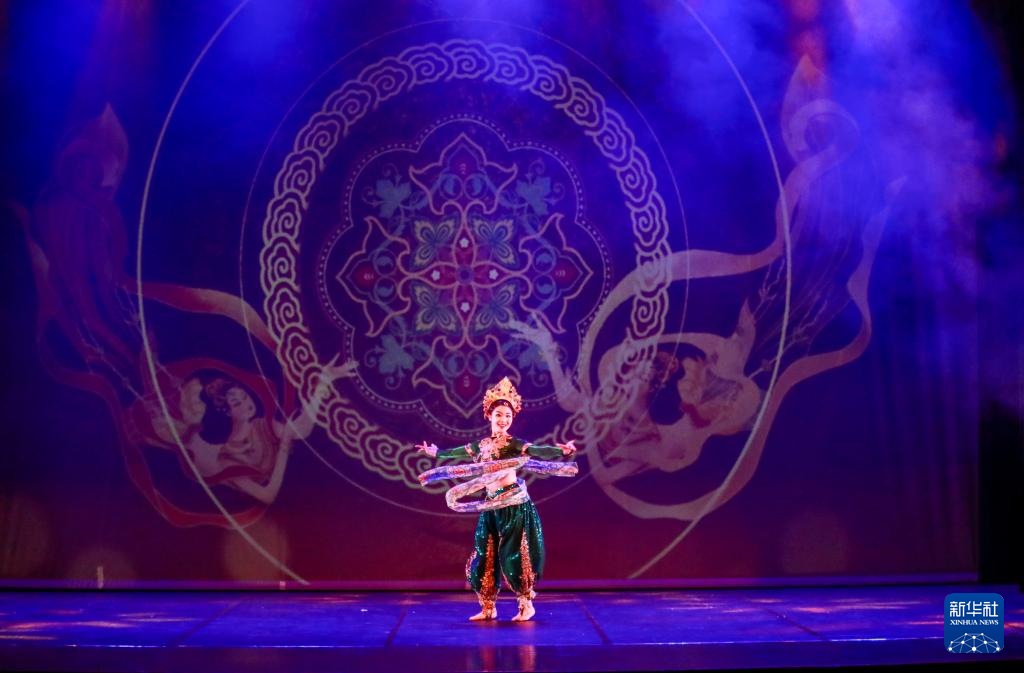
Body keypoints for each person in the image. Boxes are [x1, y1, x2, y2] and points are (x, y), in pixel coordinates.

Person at [416, 376, 577, 622]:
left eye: (508, 416)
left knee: (514, 553)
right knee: (485, 553)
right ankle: (488, 607)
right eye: (499, 414)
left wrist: (560, 451)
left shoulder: (514, 444)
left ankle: (526, 605)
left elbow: (537, 451)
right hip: (490, 505)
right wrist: (435, 452)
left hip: (513, 505)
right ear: (489, 415)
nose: (503, 420)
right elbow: (455, 453)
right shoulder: (480, 446)